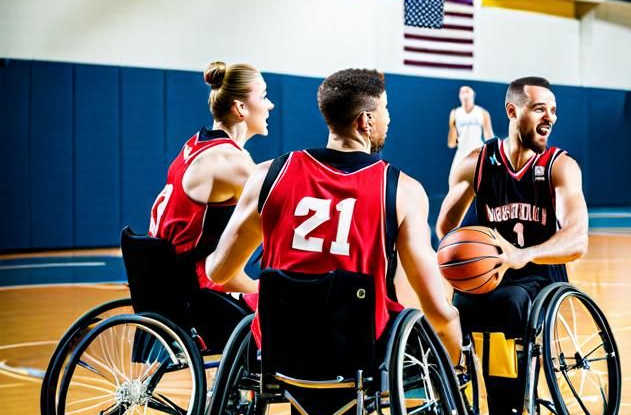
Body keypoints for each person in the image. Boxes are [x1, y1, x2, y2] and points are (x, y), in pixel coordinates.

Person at [207, 68, 462, 363]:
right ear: (365, 121)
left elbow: (218, 272)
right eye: (385, 109)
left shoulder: (269, 175)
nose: (388, 118)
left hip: (279, 351)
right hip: (360, 356)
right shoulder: (402, 190)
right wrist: (457, 354)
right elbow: (436, 311)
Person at [436, 76, 588, 415]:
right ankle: (459, 396)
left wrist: (524, 254)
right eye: (540, 109)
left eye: (553, 111)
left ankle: (508, 409)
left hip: (539, 273)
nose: (550, 118)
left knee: (509, 303)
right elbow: (445, 228)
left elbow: (577, 239)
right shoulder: (477, 162)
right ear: (512, 111)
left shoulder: (560, 166)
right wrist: (467, 250)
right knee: (458, 305)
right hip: (492, 273)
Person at [148, 61, 272, 306]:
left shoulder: (197, 144)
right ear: (240, 108)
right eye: (263, 96)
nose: (270, 105)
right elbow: (280, 211)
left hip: (168, 278)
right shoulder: (229, 160)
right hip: (194, 290)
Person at [447, 85, 493, 178]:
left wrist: (493, 155)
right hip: (461, 154)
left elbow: (489, 137)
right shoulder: (455, 113)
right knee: (453, 179)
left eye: (467, 90)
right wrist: (453, 125)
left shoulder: (483, 113)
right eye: (461, 91)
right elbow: (452, 144)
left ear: (473, 94)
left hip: (477, 153)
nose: (464, 92)